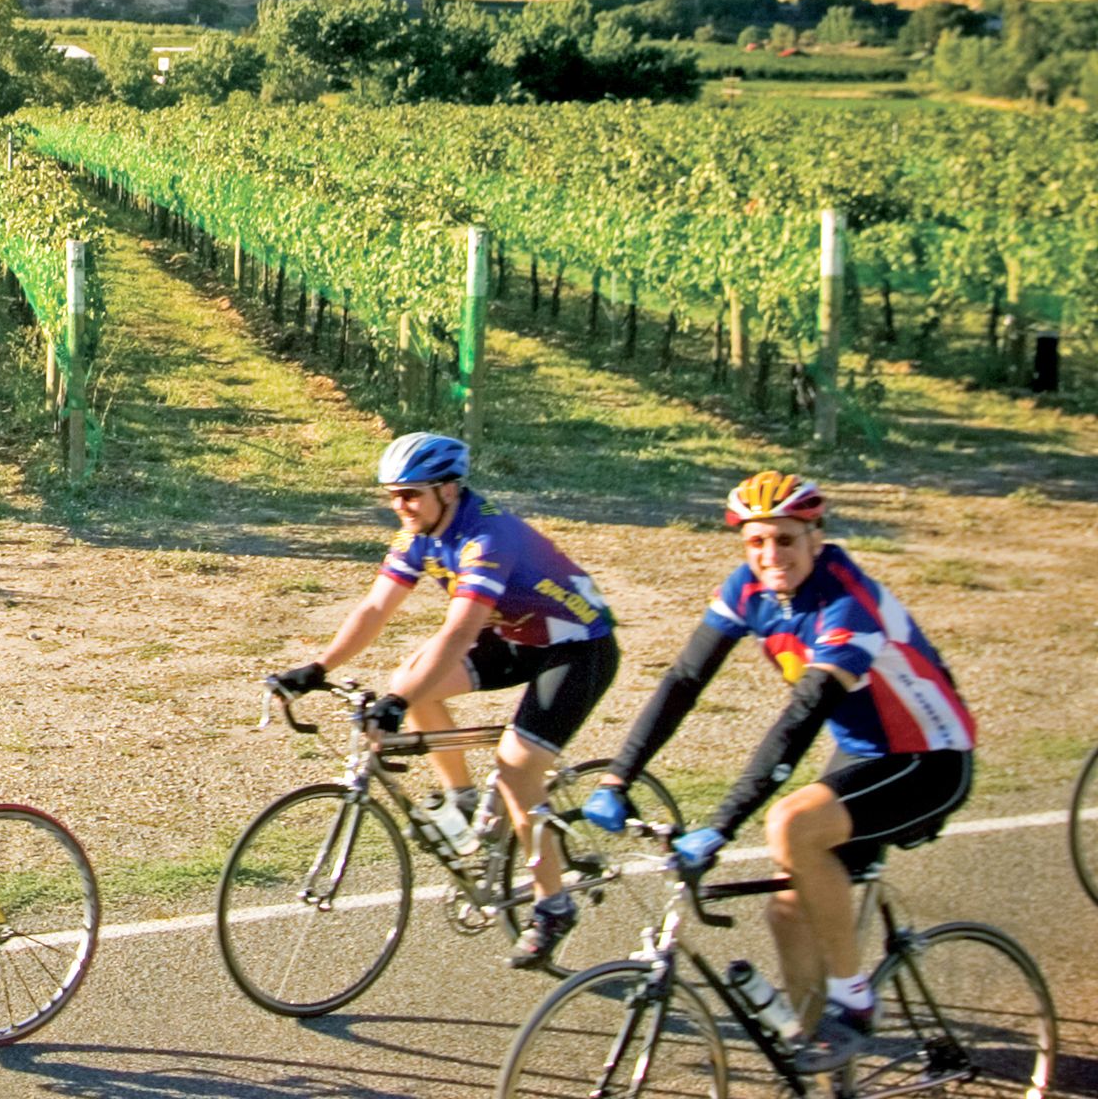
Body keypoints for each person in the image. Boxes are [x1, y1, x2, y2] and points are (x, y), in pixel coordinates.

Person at [580, 473, 974, 1073]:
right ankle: (821, 1062)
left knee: (791, 825)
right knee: (788, 911)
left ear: (815, 536)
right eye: (756, 542)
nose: (769, 557)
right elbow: (684, 680)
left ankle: (855, 1001)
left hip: (929, 757)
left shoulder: (847, 605)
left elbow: (800, 718)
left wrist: (722, 825)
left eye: (785, 541)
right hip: (866, 750)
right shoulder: (750, 588)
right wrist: (618, 777)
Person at [267, 431, 619, 969]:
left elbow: (457, 634)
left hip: (576, 645)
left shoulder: (487, 538)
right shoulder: (418, 537)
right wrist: (317, 668)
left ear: (449, 490)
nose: (399, 506)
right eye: (392, 495)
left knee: (518, 766)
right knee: (410, 675)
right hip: (520, 637)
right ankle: (463, 800)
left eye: (411, 494)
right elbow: (374, 610)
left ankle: (553, 904)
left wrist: (396, 703)